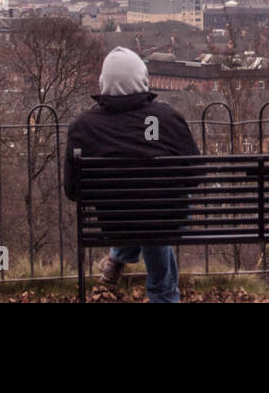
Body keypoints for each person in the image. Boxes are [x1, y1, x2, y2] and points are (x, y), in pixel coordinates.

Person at [64, 46, 199, 303]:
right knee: (155, 212)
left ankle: (118, 257)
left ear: (104, 82)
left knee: (138, 210)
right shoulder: (168, 118)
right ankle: (164, 295)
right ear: (143, 78)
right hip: (167, 219)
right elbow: (195, 175)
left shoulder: (83, 127)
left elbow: (73, 191)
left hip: (114, 223)